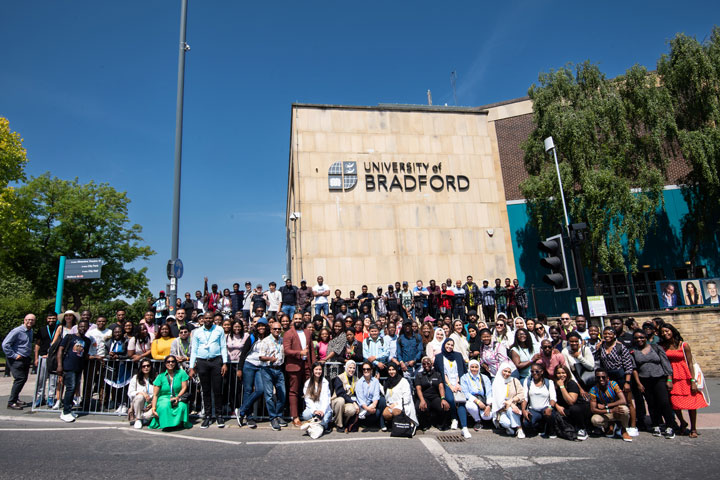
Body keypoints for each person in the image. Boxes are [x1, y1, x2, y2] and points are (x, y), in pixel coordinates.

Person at [660, 323, 708, 438]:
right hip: (672, 377)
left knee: (691, 404)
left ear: (672, 331)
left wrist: (693, 381)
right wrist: (669, 378)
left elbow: (690, 363)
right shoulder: (663, 346)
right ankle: (682, 422)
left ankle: (693, 428)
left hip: (685, 376)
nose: (665, 333)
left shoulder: (684, 345)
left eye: (667, 331)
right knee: (675, 403)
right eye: (663, 332)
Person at [631, 329, 675, 438]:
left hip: (659, 378)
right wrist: (638, 383)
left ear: (646, 337)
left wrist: (669, 379)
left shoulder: (656, 348)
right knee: (651, 404)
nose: (639, 340)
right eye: (636, 338)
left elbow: (665, 363)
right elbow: (634, 369)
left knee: (664, 402)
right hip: (644, 380)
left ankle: (670, 425)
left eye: (641, 337)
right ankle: (656, 425)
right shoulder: (633, 351)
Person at [595, 325, 637, 436]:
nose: (607, 336)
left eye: (610, 334)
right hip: (608, 376)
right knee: (610, 401)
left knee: (628, 401)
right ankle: (612, 426)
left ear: (614, 335)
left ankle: (631, 426)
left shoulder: (620, 347)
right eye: (605, 334)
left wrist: (627, 382)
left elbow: (628, 366)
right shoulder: (602, 347)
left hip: (621, 375)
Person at [189, 311, 229, 429]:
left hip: (216, 361)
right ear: (202, 319)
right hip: (202, 362)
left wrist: (225, 363)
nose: (208, 320)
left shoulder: (219, 330)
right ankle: (207, 416)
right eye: (206, 318)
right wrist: (191, 367)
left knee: (217, 390)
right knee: (205, 390)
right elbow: (194, 349)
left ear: (213, 319)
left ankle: (219, 415)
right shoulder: (197, 332)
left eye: (210, 318)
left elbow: (223, 346)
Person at [434, 338, 471, 438]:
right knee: (450, 399)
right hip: (447, 383)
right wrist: (450, 385)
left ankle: (464, 427)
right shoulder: (438, 357)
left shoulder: (458, 356)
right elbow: (441, 373)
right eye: (448, 344)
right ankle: (454, 418)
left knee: (460, 401)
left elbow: (462, 370)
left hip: (458, 383)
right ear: (444, 344)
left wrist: (458, 383)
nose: (449, 346)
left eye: (451, 345)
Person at [236, 318, 269, 428]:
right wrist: (239, 369)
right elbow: (243, 353)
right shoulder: (252, 337)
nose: (261, 328)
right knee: (248, 390)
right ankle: (248, 417)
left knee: (260, 390)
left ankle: (241, 410)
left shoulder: (268, 338)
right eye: (259, 326)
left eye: (263, 326)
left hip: (260, 366)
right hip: (249, 364)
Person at [284, 312, 316, 426]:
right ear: (293, 320)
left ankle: (309, 414)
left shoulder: (307, 332)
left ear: (303, 319)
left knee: (309, 391)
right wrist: (300, 353)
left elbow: (311, 350)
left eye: (299, 318)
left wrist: (314, 365)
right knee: (294, 392)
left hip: (307, 366)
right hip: (294, 367)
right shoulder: (288, 333)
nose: (298, 320)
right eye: (296, 318)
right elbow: (286, 350)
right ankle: (295, 416)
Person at [56, 319, 90, 422]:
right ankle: (65, 411)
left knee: (74, 388)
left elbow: (84, 354)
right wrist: (59, 365)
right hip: (68, 366)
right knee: (70, 388)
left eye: (85, 327)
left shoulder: (87, 341)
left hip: (78, 367)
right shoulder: (69, 337)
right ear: (77, 327)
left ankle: (69, 409)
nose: (83, 328)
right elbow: (60, 350)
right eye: (81, 326)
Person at [3, 314, 36, 410]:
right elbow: (5, 344)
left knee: (23, 379)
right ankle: (11, 402)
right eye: (28, 320)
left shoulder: (30, 331)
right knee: (19, 379)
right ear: (24, 320)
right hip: (16, 359)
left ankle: (16, 398)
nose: (30, 322)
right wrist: (14, 355)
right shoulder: (17, 331)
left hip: (25, 358)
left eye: (32, 320)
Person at [588, 368, 632, 442]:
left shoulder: (613, 384)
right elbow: (593, 409)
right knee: (595, 420)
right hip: (606, 412)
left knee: (624, 409)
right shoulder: (593, 390)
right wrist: (610, 410)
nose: (601, 379)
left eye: (603, 377)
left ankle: (624, 429)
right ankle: (609, 426)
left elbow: (623, 400)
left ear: (607, 378)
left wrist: (607, 406)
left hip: (616, 410)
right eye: (598, 377)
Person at [149, 355, 191, 430]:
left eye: (173, 361)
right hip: (164, 397)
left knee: (182, 405)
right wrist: (153, 408)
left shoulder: (181, 373)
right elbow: (155, 395)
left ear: (175, 363)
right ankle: (167, 424)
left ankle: (179, 423)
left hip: (178, 395)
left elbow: (184, 387)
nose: (170, 363)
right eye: (168, 362)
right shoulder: (160, 376)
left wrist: (178, 397)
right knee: (165, 405)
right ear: (165, 364)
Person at [258, 321, 287, 431]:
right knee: (269, 395)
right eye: (275, 329)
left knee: (282, 393)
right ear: (270, 330)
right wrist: (270, 359)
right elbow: (261, 356)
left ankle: (279, 415)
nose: (277, 331)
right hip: (268, 369)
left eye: (279, 329)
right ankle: (272, 418)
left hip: (279, 369)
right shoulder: (265, 341)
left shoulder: (281, 340)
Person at [554, 364, 589, 440]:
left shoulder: (571, 383)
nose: (561, 375)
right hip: (565, 408)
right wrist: (557, 406)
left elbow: (571, 402)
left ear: (567, 374)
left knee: (574, 409)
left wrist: (562, 387)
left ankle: (582, 428)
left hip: (580, 407)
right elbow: (551, 398)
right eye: (559, 373)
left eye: (563, 373)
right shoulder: (554, 384)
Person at [521, 363, 556, 437]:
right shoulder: (528, 382)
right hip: (533, 410)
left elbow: (553, 398)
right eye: (532, 371)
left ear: (542, 372)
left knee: (549, 415)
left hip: (545, 409)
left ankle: (551, 430)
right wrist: (523, 410)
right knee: (527, 423)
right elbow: (525, 398)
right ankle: (539, 427)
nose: (534, 373)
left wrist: (550, 407)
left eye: (537, 371)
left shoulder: (549, 382)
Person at [414, 356, 450, 430]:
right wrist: (422, 400)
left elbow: (441, 387)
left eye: (428, 363)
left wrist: (443, 398)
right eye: (424, 364)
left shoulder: (437, 374)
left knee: (444, 406)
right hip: (424, 397)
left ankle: (440, 424)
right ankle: (424, 424)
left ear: (431, 364)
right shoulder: (419, 375)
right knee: (419, 407)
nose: (426, 365)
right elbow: (418, 389)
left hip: (435, 397)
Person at [491, 362, 526, 437]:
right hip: (501, 409)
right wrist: (511, 404)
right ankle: (509, 428)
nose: (507, 373)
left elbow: (521, 394)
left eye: (509, 372)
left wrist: (512, 401)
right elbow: (497, 400)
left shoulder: (514, 380)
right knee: (505, 423)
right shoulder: (496, 382)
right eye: (505, 371)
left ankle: (519, 429)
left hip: (514, 407)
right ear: (501, 371)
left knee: (511, 410)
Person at [382, 364, 418, 434]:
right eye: (389, 370)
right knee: (386, 414)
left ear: (396, 370)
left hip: (403, 404)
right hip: (391, 405)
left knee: (396, 411)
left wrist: (396, 404)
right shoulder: (387, 382)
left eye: (393, 369)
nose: (391, 372)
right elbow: (386, 396)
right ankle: (395, 424)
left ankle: (410, 424)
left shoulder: (403, 381)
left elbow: (407, 398)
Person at [33, 312, 59, 408]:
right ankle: (40, 397)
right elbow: (37, 344)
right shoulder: (42, 329)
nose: (51, 320)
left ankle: (51, 397)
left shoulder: (59, 329)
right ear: (46, 319)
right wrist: (36, 358)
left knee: (53, 379)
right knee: (41, 379)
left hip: (54, 358)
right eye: (49, 318)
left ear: (56, 319)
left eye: (53, 318)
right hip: (43, 357)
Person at [461, 360, 493, 431]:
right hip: (472, 399)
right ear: (469, 367)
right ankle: (477, 420)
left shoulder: (485, 377)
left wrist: (488, 405)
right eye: (472, 367)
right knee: (470, 406)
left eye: (476, 367)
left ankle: (484, 418)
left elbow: (489, 392)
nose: (474, 369)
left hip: (483, 399)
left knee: (487, 417)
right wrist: (477, 402)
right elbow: (466, 392)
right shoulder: (464, 377)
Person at [301, 362, 332, 432]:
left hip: (324, 409)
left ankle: (315, 424)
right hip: (313, 408)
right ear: (313, 370)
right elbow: (307, 399)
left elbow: (326, 398)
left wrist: (322, 410)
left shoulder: (325, 382)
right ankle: (318, 424)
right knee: (305, 415)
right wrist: (315, 410)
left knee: (325, 420)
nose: (318, 371)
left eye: (320, 369)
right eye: (316, 369)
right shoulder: (307, 383)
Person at [331, 360, 360, 432]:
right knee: (341, 400)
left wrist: (355, 403)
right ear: (346, 368)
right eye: (350, 368)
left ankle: (345, 423)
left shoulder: (356, 379)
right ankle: (339, 425)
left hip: (348, 402)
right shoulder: (339, 378)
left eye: (353, 368)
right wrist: (353, 402)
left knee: (352, 410)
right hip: (337, 401)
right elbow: (340, 393)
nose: (352, 370)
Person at [127, 358, 156, 429]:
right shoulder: (135, 378)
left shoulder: (156, 378)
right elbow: (130, 393)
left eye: (148, 366)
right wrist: (142, 393)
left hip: (151, 404)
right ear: (141, 368)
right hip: (139, 403)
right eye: (144, 366)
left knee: (147, 416)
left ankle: (145, 418)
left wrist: (152, 403)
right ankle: (138, 419)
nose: (146, 368)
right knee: (139, 397)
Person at [395, 320, 423, 384]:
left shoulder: (418, 337)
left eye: (409, 325)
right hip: (405, 367)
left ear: (411, 326)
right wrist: (401, 362)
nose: (407, 327)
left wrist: (414, 360)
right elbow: (398, 353)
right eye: (405, 326)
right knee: (407, 385)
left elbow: (420, 350)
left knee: (417, 385)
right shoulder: (400, 338)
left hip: (416, 366)